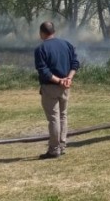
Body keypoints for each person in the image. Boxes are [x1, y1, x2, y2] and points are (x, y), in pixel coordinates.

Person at [34, 21, 79, 159]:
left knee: (54, 118)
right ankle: (62, 144)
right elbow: (75, 63)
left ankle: (54, 149)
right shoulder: (67, 44)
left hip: (50, 87)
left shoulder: (41, 49)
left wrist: (59, 81)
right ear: (54, 31)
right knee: (63, 116)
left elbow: (44, 71)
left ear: (42, 33)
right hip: (65, 86)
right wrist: (69, 78)